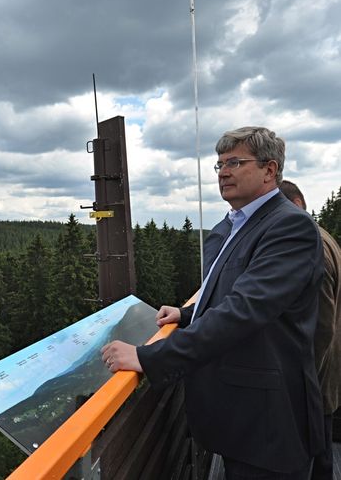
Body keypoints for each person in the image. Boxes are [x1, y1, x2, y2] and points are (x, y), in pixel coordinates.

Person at [101, 126, 325, 479]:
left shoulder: (289, 227)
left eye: (235, 162)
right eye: (219, 164)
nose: (223, 172)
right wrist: (188, 313)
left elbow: (244, 311)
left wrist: (147, 356)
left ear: (269, 170)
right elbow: (231, 293)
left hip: (268, 421)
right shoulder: (235, 224)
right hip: (240, 416)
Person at [279, 179, 341, 480]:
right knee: (321, 452)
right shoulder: (323, 237)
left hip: (314, 380)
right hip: (325, 376)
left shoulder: (309, 246)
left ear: (297, 205)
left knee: (315, 460)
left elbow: (321, 327)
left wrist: (302, 385)